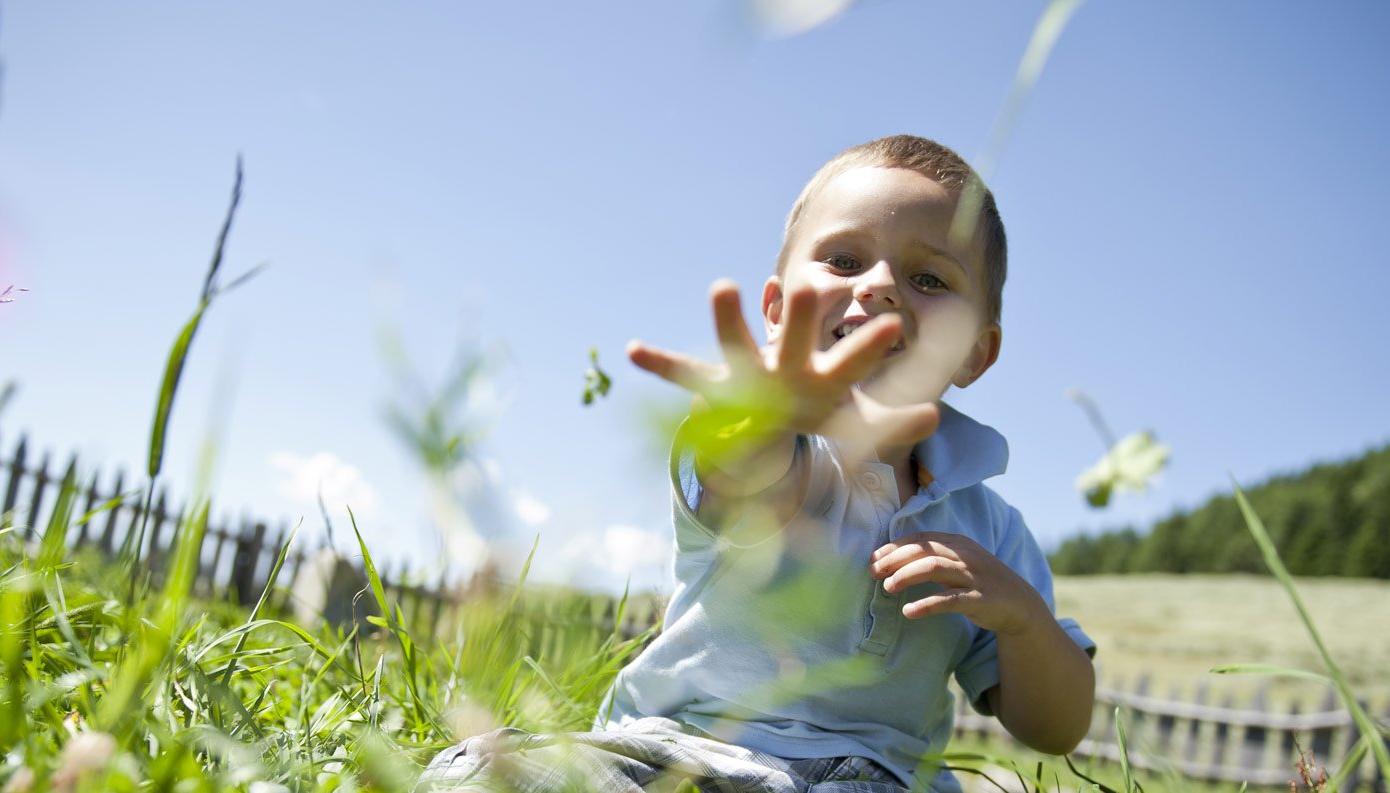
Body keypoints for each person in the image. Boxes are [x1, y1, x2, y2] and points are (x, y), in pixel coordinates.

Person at [417, 135, 1097, 793]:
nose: (882, 286)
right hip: (686, 752)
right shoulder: (769, 440)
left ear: (976, 351)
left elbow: (1055, 728)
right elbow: (751, 484)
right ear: (776, 311)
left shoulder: (993, 529)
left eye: (927, 277)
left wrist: (1025, 620)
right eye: (844, 260)